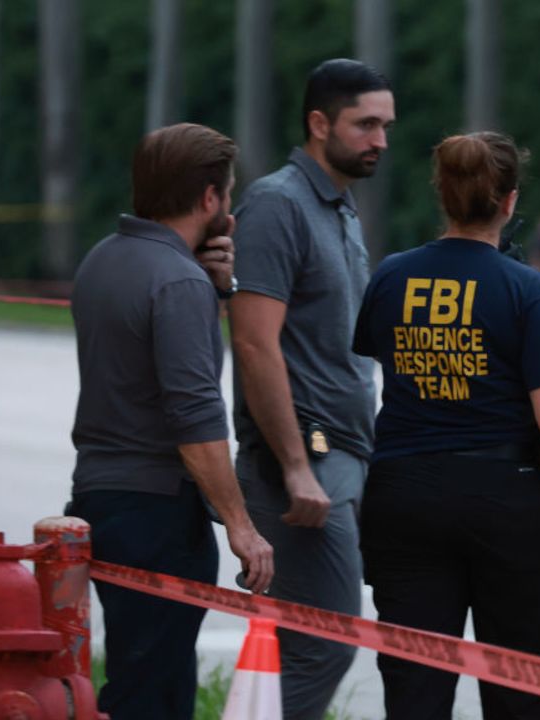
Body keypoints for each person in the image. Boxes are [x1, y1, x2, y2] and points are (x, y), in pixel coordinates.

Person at [352, 132, 540, 720]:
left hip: (405, 495)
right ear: (510, 202)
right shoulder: (525, 289)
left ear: (442, 193)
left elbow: (374, 368)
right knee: (521, 683)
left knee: (415, 684)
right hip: (506, 501)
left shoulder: (392, 277)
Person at [67, 122, 274, 719]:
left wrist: (214, 288)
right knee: (153, 691)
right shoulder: (177, 281)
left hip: (99, 494)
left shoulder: (103, 259)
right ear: (209, 198)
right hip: (158, 510)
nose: (229, 206)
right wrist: (241, 525)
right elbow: (194, 418)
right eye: (228, 193)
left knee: (144, 671)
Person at [227, 58, 395, 720]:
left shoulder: (340, 207)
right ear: (319, 123)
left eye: (386, 125)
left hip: (346, 455)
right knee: (321, 647)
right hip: (304, 462)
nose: (380, 139)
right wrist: (296, 466)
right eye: (365, 124)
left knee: (317, 643)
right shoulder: (278, 204)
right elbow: (252, 342)